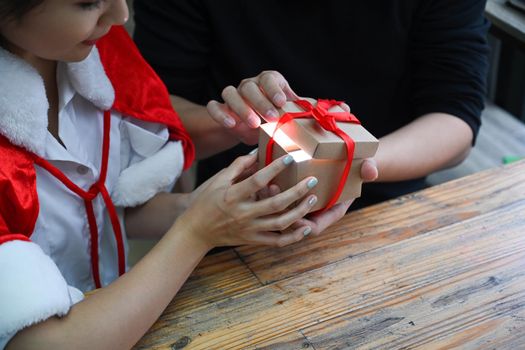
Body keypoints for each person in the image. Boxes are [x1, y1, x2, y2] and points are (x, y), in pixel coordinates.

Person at [0, 1, 321, 348]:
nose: (121, 16)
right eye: (89, 3)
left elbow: (101, 211)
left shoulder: (93, 56)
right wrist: (196, 232)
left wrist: (207, 205)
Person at [133, 0, 490, 235]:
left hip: (388, 210)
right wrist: (232, 124)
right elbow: (150, 112)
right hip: (244, 209)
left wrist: (346, 162)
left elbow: (454, 117)